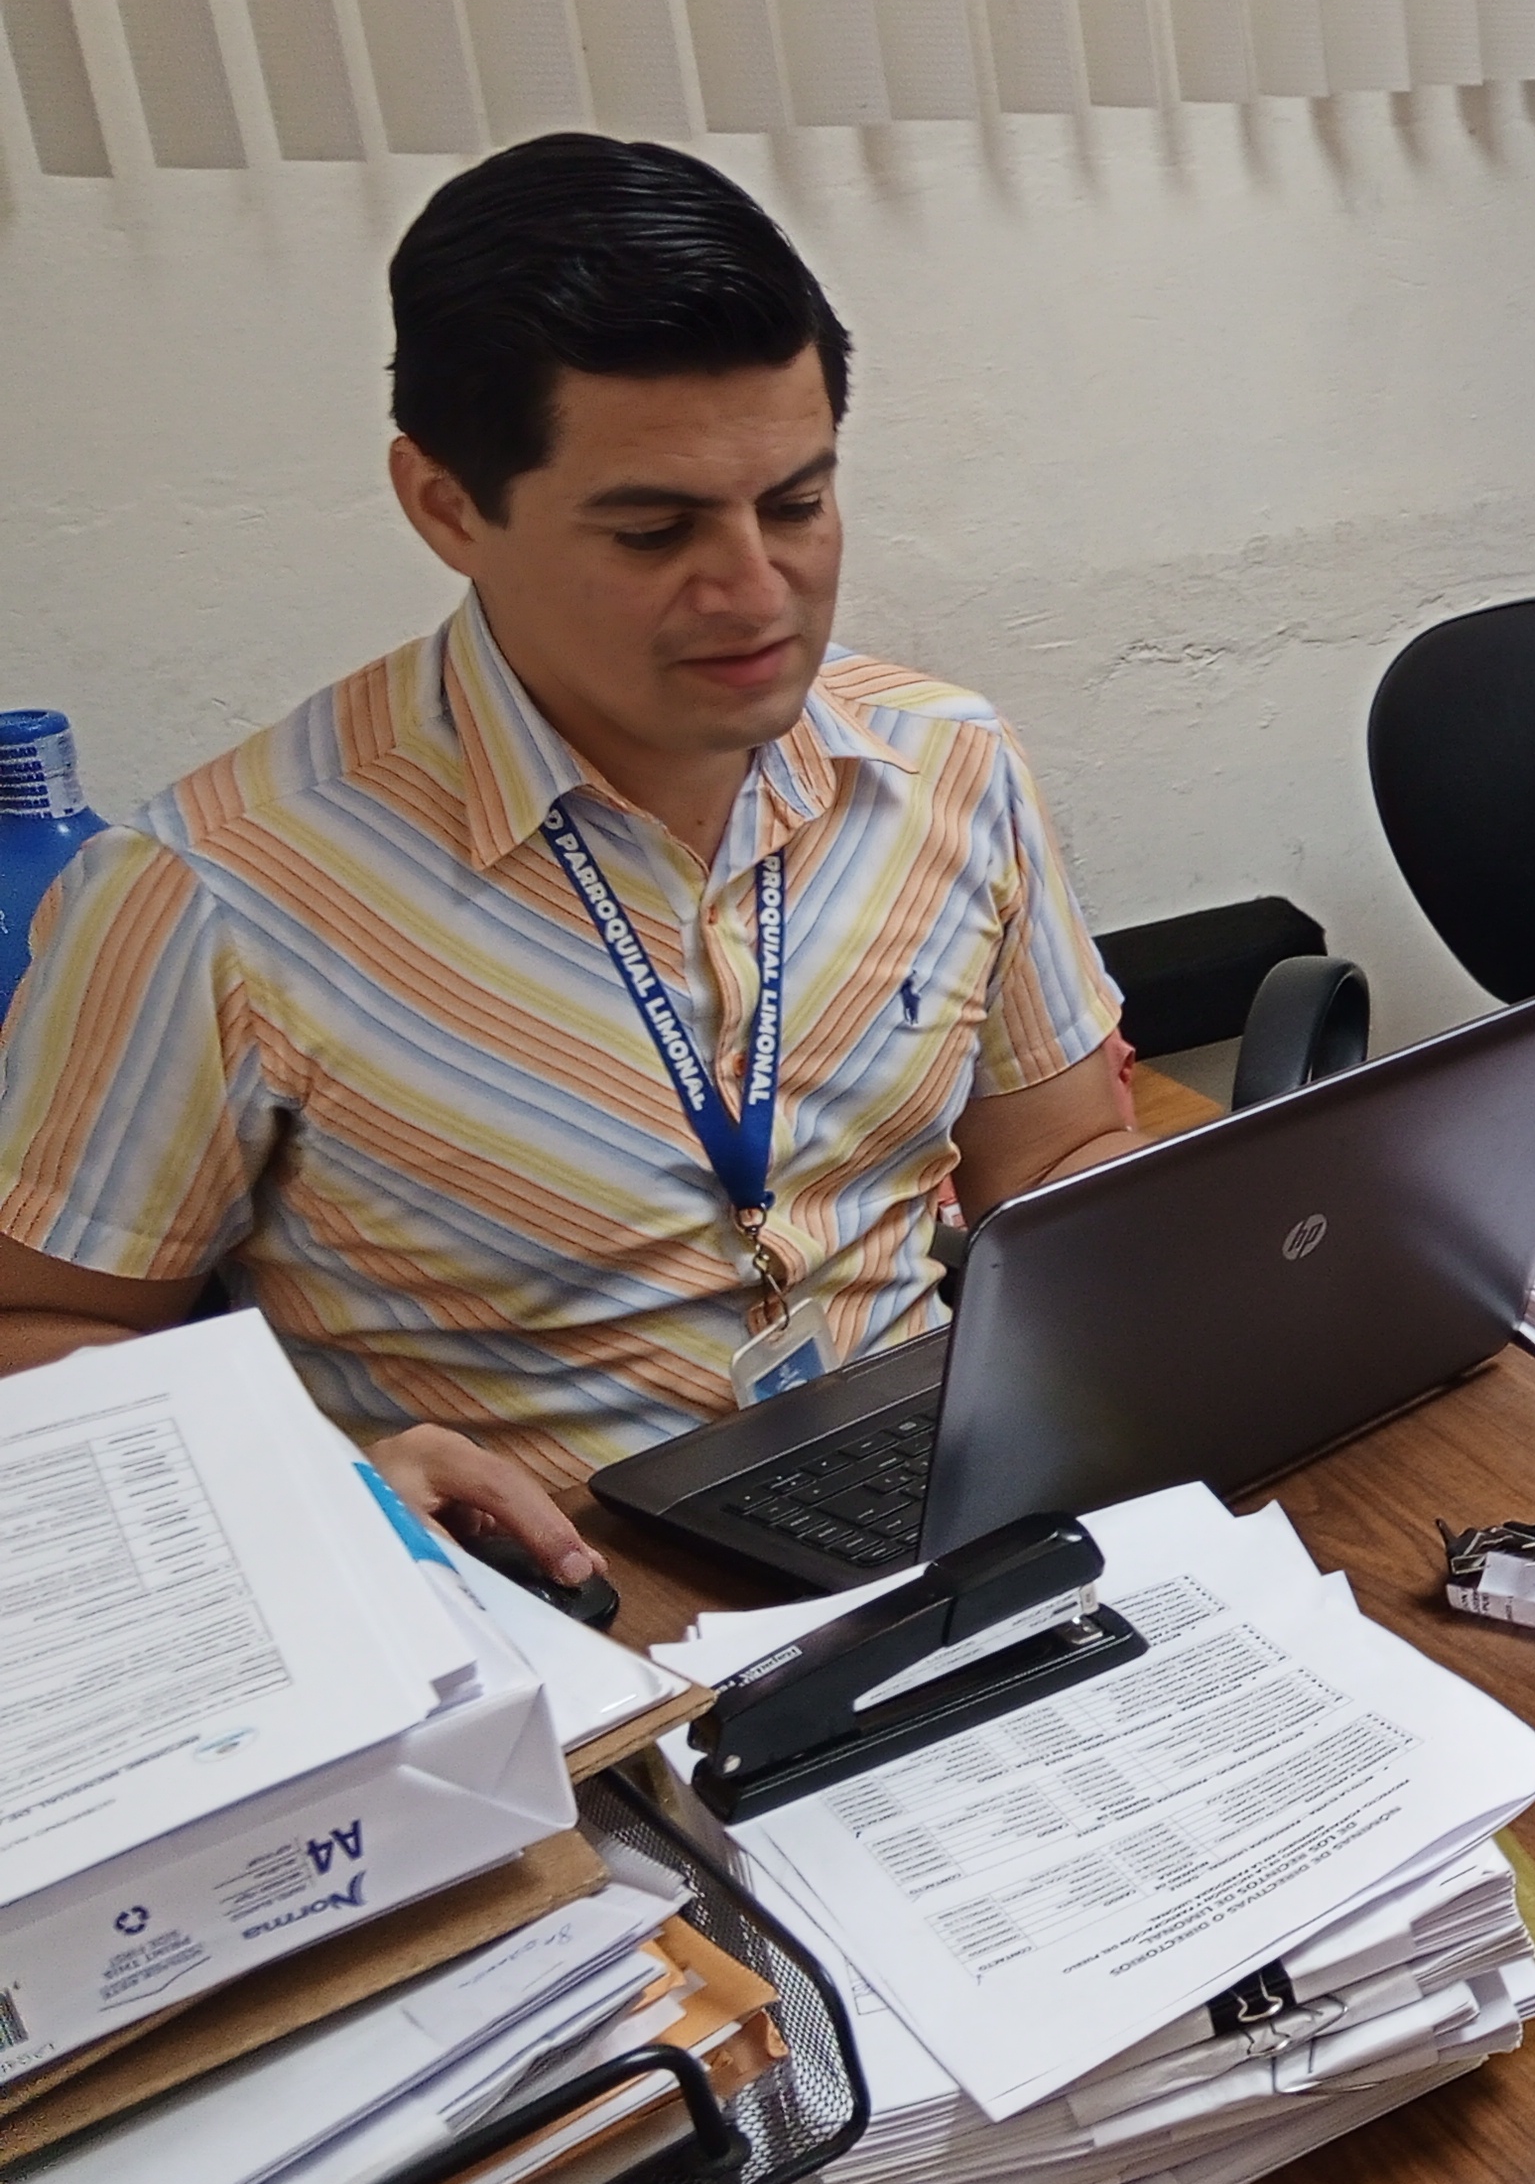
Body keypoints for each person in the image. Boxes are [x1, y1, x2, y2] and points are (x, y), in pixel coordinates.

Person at [0, 133, 1137, 1589]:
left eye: (797, 504)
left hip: (949, 1513)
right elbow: (38, 1335)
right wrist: (317, 1490)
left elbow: (1062, 1161)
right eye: (655, 531)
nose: (756, 591)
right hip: (552, 1600)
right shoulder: (209, 895)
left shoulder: (948, 764)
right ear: (446, 507)